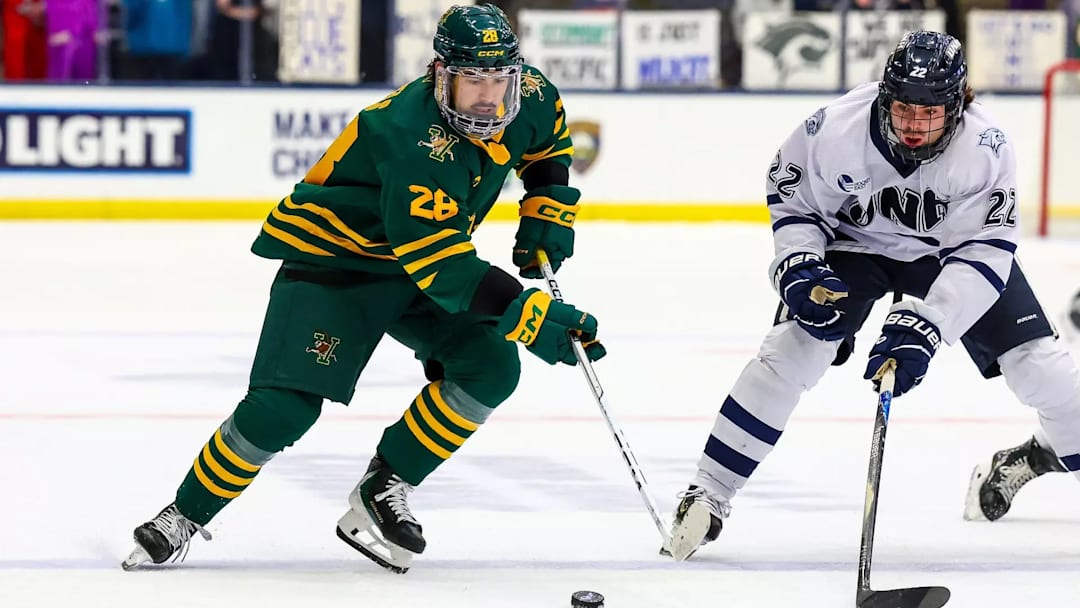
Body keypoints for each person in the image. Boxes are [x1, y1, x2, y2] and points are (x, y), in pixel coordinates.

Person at [122, 3, 605, 574]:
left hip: (421, 260)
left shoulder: (534, 95)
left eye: (498, 79)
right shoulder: (409, 134)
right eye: (471, 80)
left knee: (489, 368)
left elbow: (548, 146)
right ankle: (183, 514)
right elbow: (445, 268)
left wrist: (546, 209)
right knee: (282, 409)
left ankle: (386, 483)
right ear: (440, 73)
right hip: (338, 263)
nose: (487, 96)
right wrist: (533, 317)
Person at [665, 30, 1080, 561]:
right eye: (903, 108)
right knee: (792, 349)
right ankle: (708, 492)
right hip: (855, 248)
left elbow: (986, 251)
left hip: (948, 257)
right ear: (885, 96)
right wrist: (796, 262)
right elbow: (794, 202)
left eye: (930, 113)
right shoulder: (833, 128)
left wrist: (930, 323)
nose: (913, 125)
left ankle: (1038, 457)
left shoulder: (986, 148)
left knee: (1045, 371)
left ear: (957, 106)